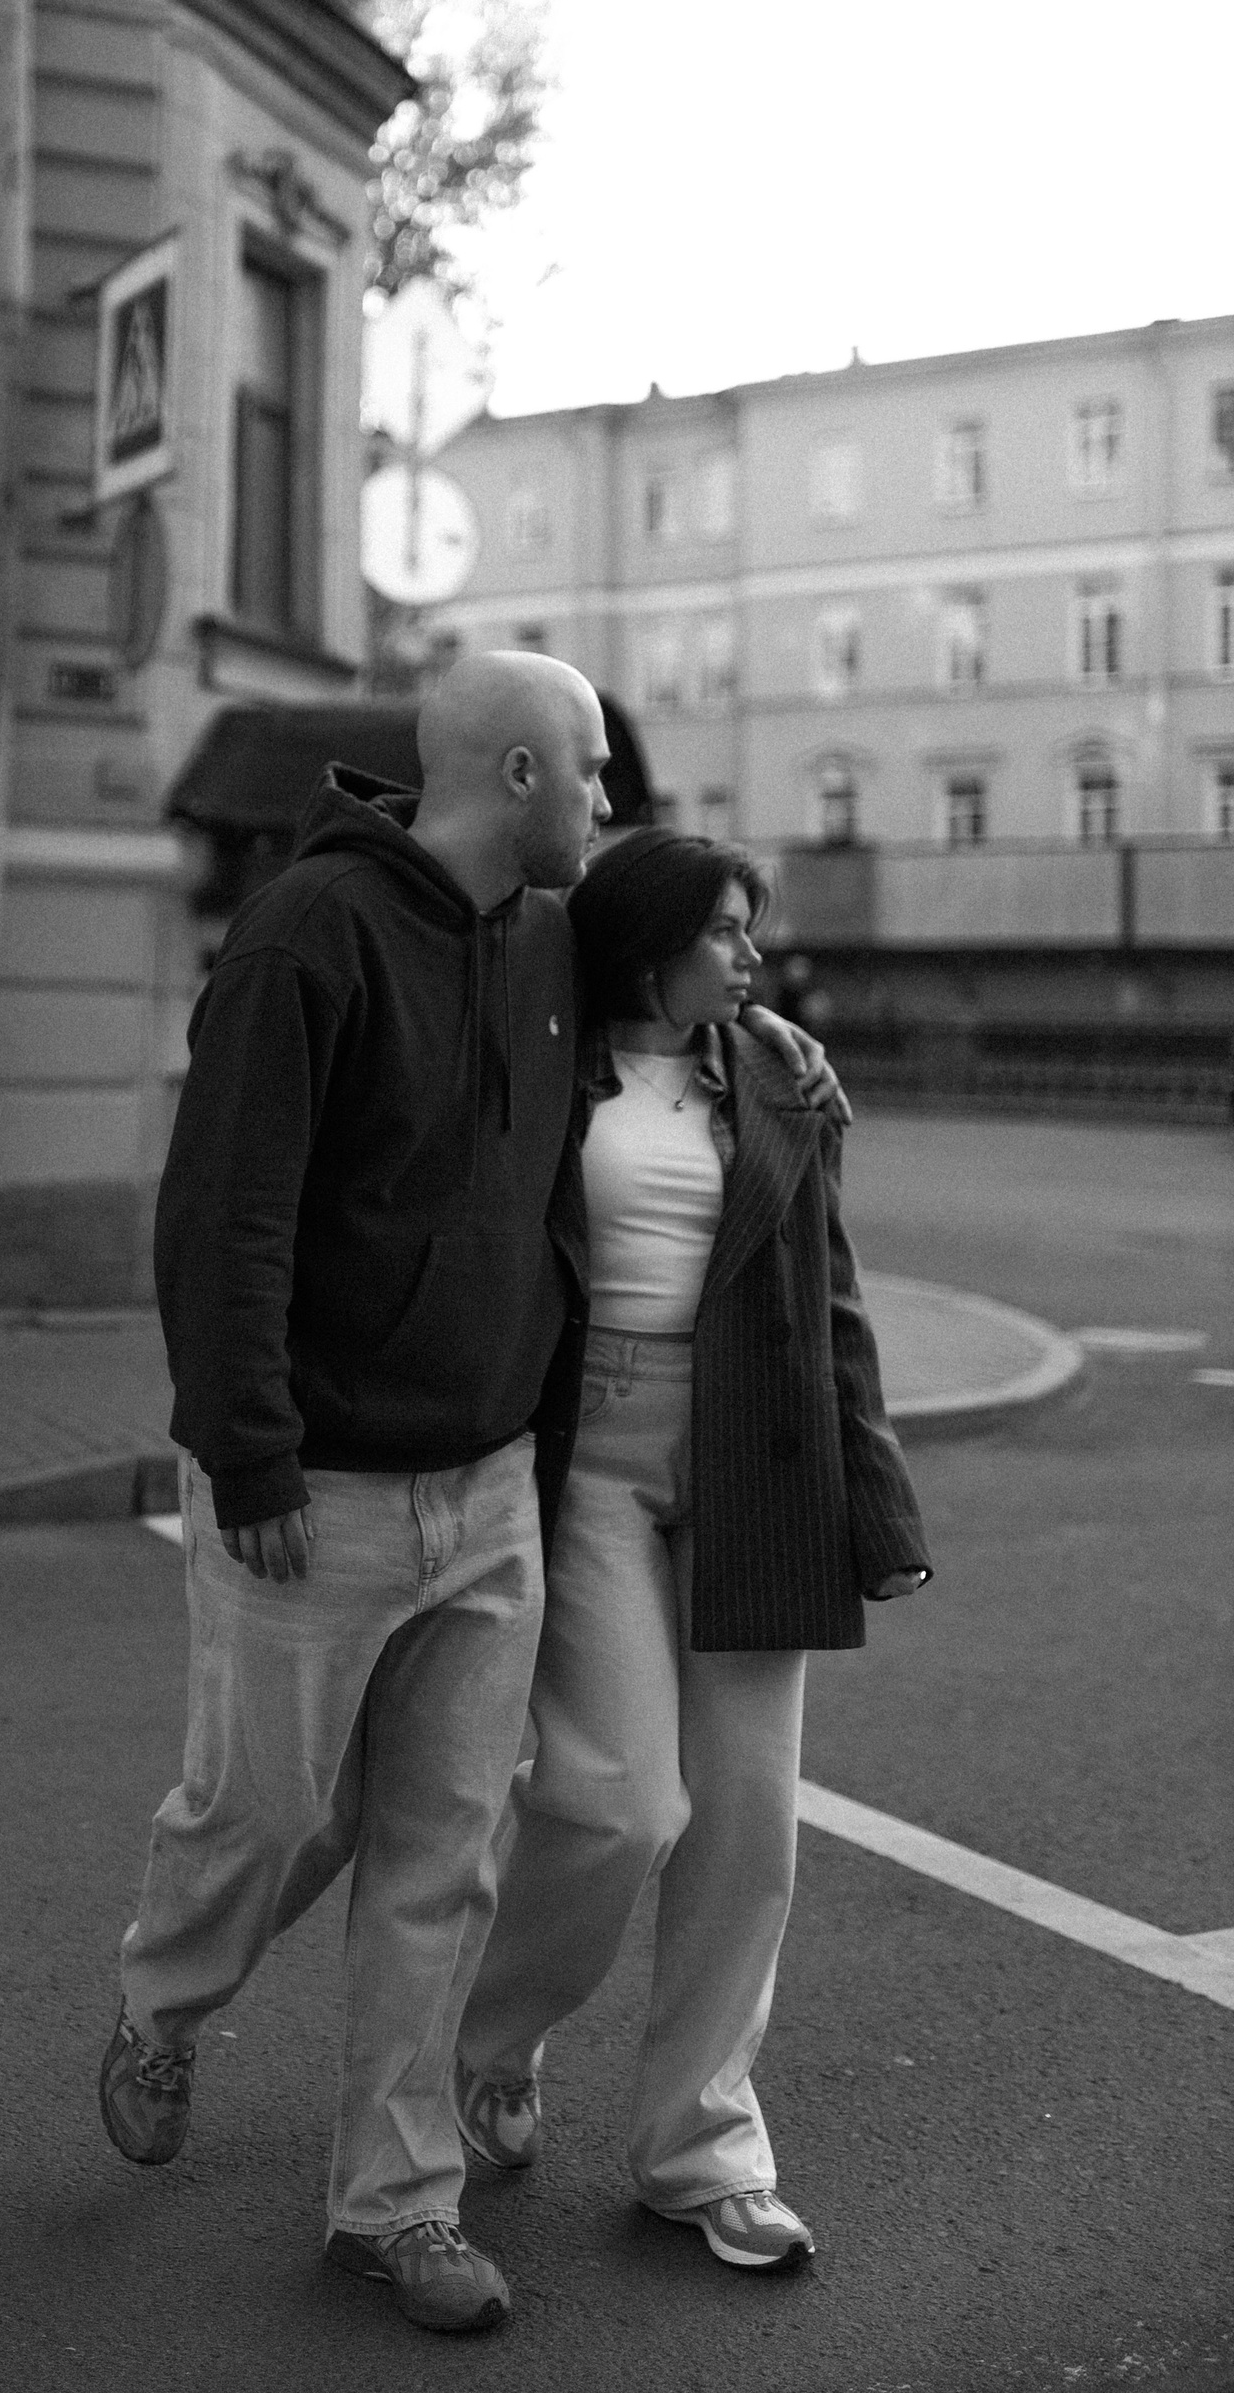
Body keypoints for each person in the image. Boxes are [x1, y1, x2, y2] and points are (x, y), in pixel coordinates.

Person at [99, 659, 843, 2338]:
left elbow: (677, 996)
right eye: (591, 773)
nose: (608, 803)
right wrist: (249, 1450)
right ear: (519, 772)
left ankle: (398, 2206)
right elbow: (223, 1215)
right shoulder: (307, 939)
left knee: (442, 1862)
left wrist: (767, 1038)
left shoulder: (547, 940)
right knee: (272, 1812)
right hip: (318, 1487)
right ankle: (163, 2001)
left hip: (500, 1481)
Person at [452, 825, 932, 2277]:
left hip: (756, 1458)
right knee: (614, 1799)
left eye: (750, 930)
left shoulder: (778, 1074)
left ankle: (703, 2154)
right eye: (724, 930)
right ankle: (489, 2040)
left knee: (747, 1825)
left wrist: (879, 1504)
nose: (751, 955)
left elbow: (829, 1292)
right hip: (588, 1453)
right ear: (650, 941)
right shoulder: (545, 1058)